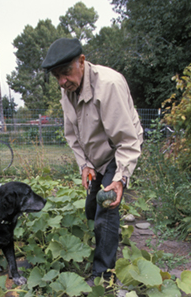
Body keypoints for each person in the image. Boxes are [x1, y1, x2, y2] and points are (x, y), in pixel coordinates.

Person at [42, 37, 143, 283]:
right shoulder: (67, 91)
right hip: (94, 155)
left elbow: (127, 141)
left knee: (106, 209)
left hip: (117, 151)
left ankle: (103, 275)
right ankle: (97, 243)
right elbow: (73, 136)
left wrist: (120, 179)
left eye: (65, 72)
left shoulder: (108, 85)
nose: (62, 81)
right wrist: (85, 165)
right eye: (57, 76)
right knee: (91, 206)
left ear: (82, 62)